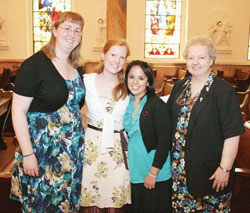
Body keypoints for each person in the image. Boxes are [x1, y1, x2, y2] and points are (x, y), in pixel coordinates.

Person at [10, 11, 85, 212]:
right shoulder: (35, 65)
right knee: (40, 205)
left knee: (66, 204)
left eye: (77, 30)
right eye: (67, 28)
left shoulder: (76, 67)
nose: (72, 34)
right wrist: (27, 154)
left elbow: (76, 108)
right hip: (42, 151)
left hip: (70, 152)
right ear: (54, 30)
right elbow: (18, 111)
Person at [167, 35, 245, 212]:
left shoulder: (223, 91)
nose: (195, 62)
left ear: (211, 60)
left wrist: (224, 168)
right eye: (191, 57)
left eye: (201, 57)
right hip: (180, 172)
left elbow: (232, 134)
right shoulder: (180, 87)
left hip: (211, 173)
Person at [80, 38, 131, 213]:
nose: (117, 60)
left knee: (114, 202)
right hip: (92, 147)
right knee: (92, 200)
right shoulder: (86, 81)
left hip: (117, 149)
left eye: (122, 57)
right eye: (113, 54)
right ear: (103, 55)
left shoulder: (129, 85)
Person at [123, 60, 172, 213]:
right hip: (135, 169)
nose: (135, 82)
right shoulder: (127, 102)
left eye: (141, 78)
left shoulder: (156, 105)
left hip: (153, 171)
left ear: (148, 81)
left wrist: (153, 173)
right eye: (131, 77)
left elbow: (165, 142)